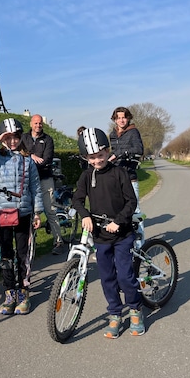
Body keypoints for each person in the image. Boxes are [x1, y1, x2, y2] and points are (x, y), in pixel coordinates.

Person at [72, 127, 145, 338]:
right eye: (92, 158)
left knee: (124, 275)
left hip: (121, 234)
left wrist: (119, 221)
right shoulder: (87, 176)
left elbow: (131, 202)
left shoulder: (119, 173)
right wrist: (85, 215)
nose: (97, 161)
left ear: (107, 151)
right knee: (107, 278)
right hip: (101, 237)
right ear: (87, 158)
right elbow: (77, 199)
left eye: (100, 155)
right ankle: (114, 313)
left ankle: (134, 309)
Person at [0, 118, 43, 315]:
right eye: (9, 137)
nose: (13, 141)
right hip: (2, 212)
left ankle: (23, 292)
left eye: (16, 137)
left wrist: (38, 212)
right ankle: (9, 292)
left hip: (23, 212)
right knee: (6, 255)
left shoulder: (27, 161)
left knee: (23, 255)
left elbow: (36, 188)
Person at [20, 114, 64, 255]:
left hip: (44, 179)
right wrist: (31, 156)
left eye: (40, 124)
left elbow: (46, 160)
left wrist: (28, 157)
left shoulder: (47, 140)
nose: (38, 126)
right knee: (27, 212)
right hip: (27, 180)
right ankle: (29, 244)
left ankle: (58, 241)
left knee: (50, 210)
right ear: (31, 123)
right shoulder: (24, 138)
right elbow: (18, 153)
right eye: (36, 123)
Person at [108, 107, 144, 209]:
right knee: (118, 210)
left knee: (135, 210)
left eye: (124, 117)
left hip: (129, 177)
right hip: (116, 178)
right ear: (115, 120)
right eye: (118, 118)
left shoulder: (133, 132)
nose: (121, 120)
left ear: (128, 118)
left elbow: (139, 149)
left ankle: (139, 225)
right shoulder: (112, 135)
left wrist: (120, 153)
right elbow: (113, 152)